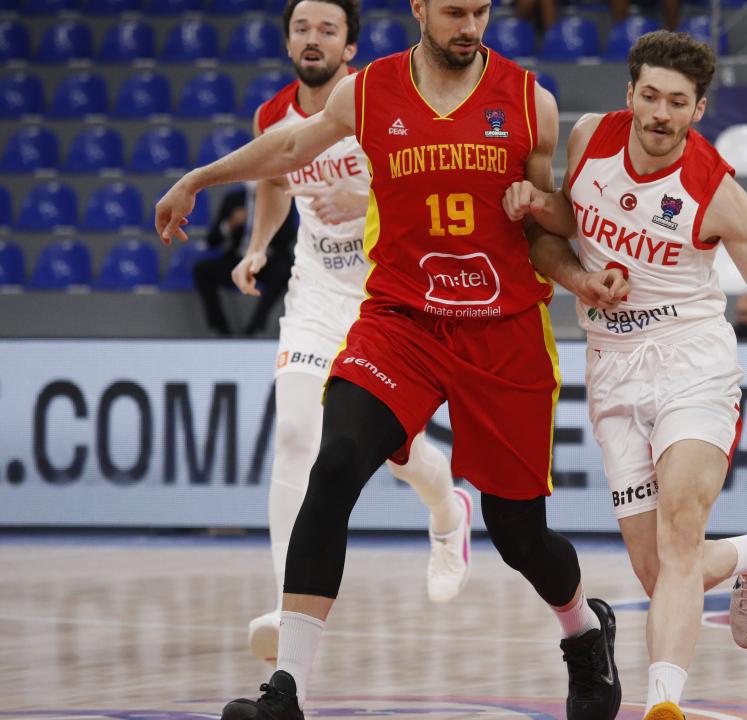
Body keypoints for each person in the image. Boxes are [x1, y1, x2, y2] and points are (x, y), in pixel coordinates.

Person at [155, 0, 629, 717]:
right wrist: (198, 177)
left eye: (480, 11)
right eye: (453, 12)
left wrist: (577, 274)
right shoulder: (369, 89)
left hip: (501, 327)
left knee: (519, 533)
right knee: (334, 461)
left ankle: (584, 631)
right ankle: (286, 689)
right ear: (419, 8)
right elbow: (289, 149)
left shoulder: (531, 101)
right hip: (402, 320)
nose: (469, 27)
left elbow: (544, 229)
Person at [504, 30, 747, 720]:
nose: (659, 113)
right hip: (612, 365)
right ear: (630, 94)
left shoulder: (718, 192)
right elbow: (569, 220)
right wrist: (539, 210)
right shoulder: (590, 137)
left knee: (680, 534)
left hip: (691, 361)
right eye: (650, 96)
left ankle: (663, 705)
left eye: (677, 102)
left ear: (698, 109)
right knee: (661, 573)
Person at [229, 0, 473, 668]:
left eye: (327, 30)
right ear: (288, 43)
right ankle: (285, 602)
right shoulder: (272, 116)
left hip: (385, 293)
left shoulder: (378, 103)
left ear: (350, 48)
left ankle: (449, 511)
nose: (313, 39)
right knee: (294, 435)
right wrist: (259, 246)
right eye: (301, 28)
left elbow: (431, 186)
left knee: (395, 452)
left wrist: (363, 200)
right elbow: (274, 182)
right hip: (314, 293)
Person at [193, 187, 295, 336]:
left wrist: (270, 222)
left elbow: (288, 237)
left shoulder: (282, 198)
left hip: (267, 261)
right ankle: (220, 329)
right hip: (238, 260)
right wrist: (230, 224)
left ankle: (255, 328)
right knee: (202, 270)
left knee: (284, 270)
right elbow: (212, 240)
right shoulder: (233, 199)